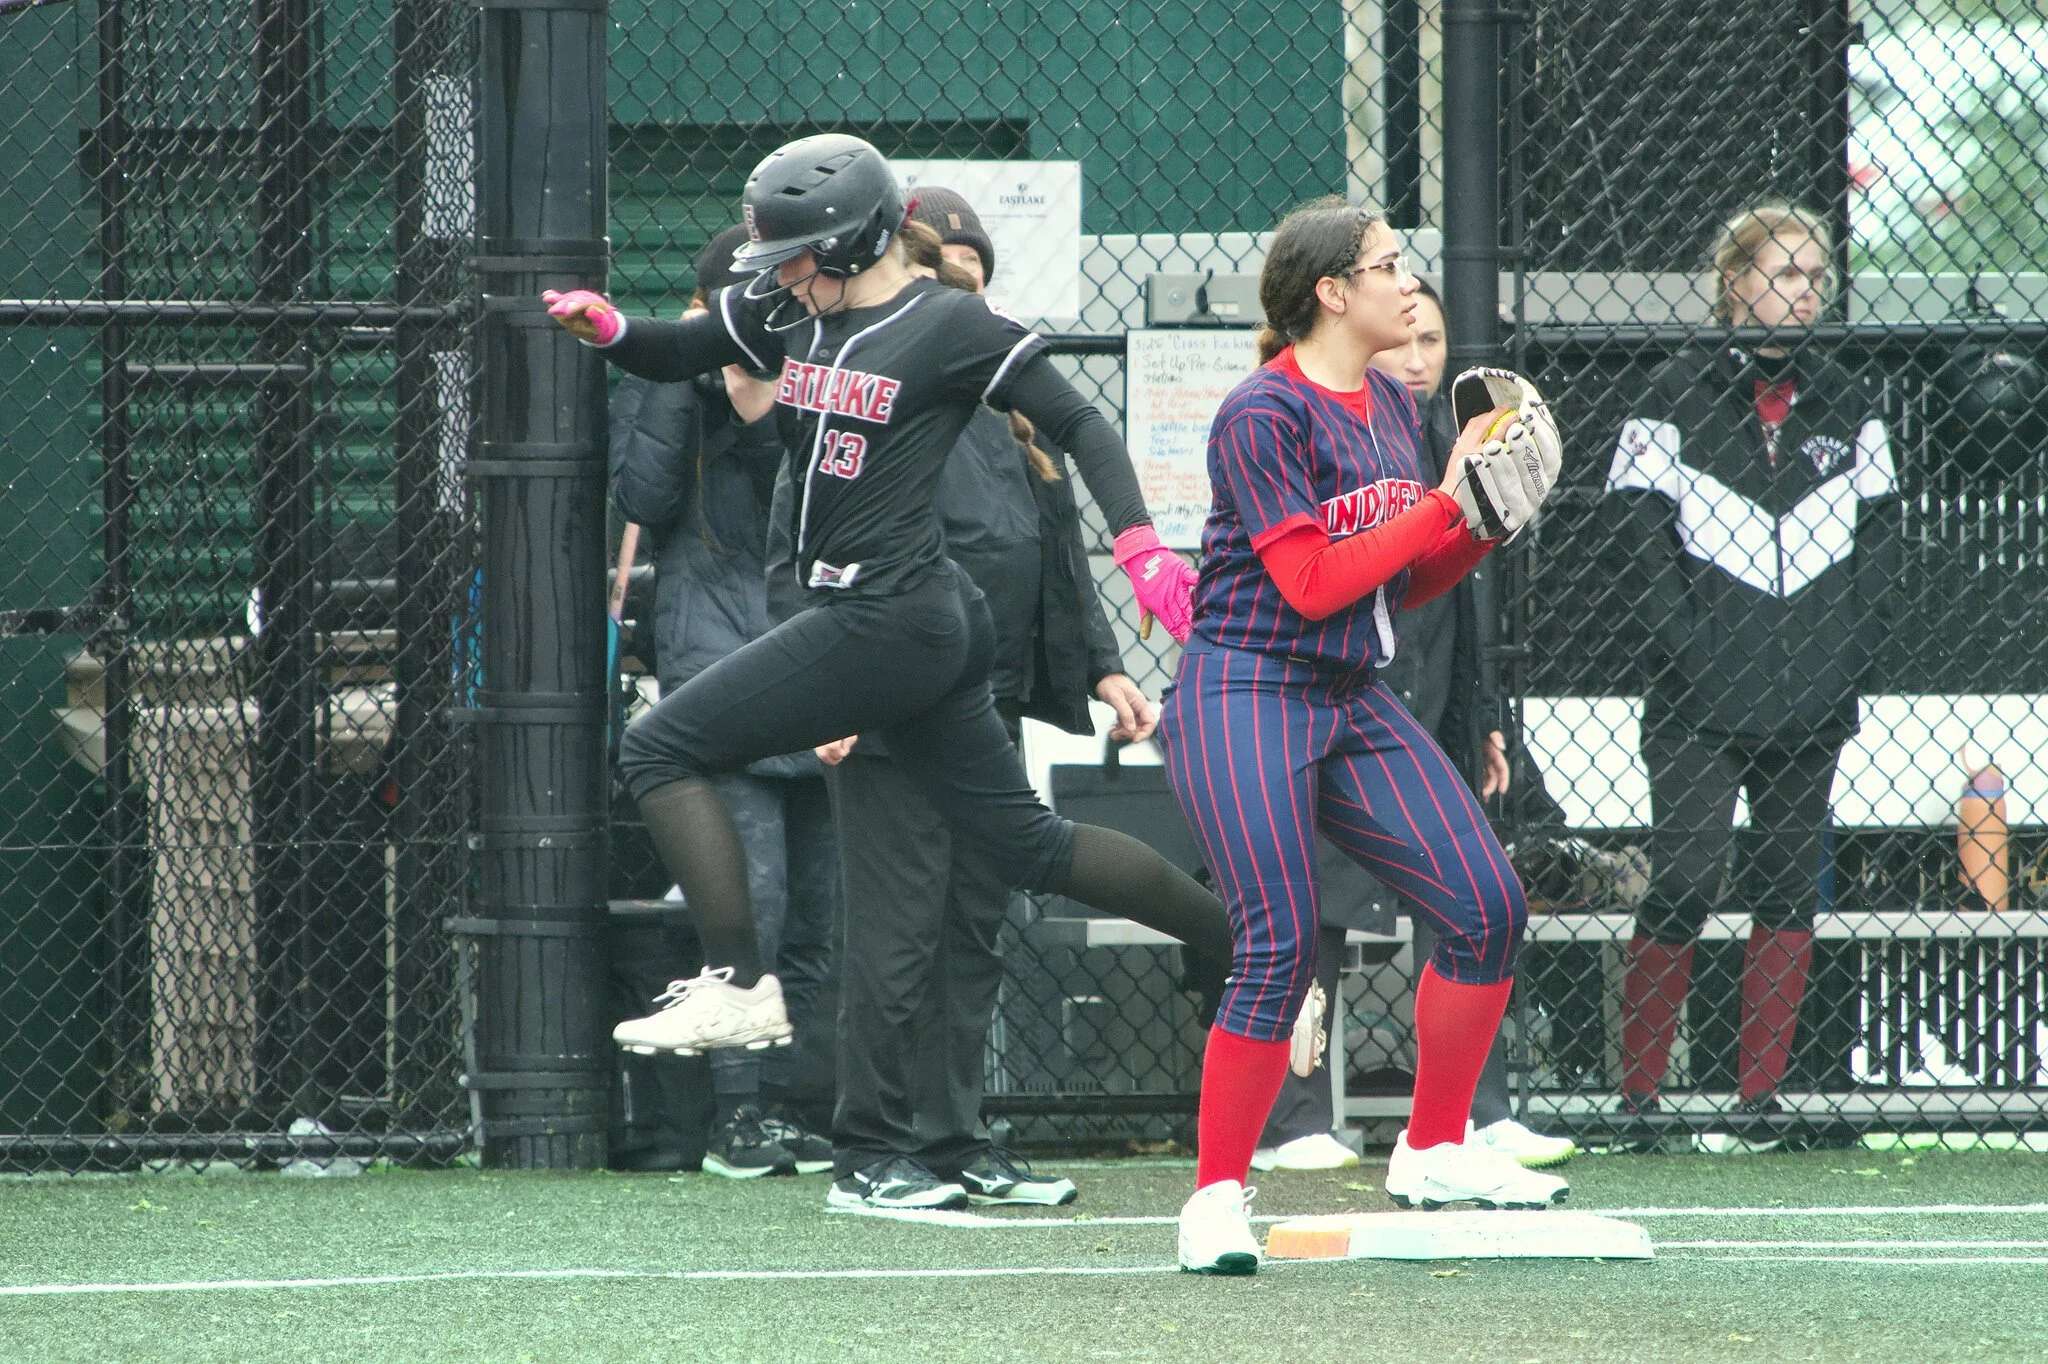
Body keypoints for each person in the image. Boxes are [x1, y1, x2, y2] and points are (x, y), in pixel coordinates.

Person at [542, 134, 1235, 1211]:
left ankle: (736, 983)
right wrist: (611, 329)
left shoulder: (947, 323)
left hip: (893, 619)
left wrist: (1141, 544)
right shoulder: (790, 309)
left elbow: (1079, 420)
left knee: (657, 742)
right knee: (1024, 842)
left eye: (800, 251)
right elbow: (679, 350)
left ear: (860, 236)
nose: (778, 272)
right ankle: (1228, 939)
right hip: (912, 625)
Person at [1161, 197, 1567, 1276]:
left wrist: (1481, 524)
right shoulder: (1260, 412)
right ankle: (1212, 1196)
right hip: (1243, 688)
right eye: (1387, 265)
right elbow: (1306, 583)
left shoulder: (1392, 403)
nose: (1407, 282)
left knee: (1486, 905)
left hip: (1347, 691)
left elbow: (1405, 577)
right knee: (1279, 936)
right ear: (1330, 292)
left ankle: (1432, 1146)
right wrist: (1445, 498)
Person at [807, 197, 1148, 1209]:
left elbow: (1055, 553)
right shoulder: (863, 396)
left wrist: (1102, 663)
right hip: (888, 703)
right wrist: (826, 683)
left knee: (969, 928)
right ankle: (868, 1148)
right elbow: (809, 534)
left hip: (982, 709)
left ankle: (951, 1139)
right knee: (896, 932)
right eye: (939, 270)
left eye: (973, 273)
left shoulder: (1008, 415)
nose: (961, 291)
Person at [1247, 282, 1577, 1175]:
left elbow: (1460, 608)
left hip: (1424, 704)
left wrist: (1483, 726)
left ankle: (1475, 1111)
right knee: (1304, 907)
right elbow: (1314, 576)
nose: (1421, 355)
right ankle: (1300, 1117)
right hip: (1321, 700)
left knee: (1466, 894)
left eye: (1434, 338)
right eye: (1407, 338)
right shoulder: (1310, 424)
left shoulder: (1444, 434)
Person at [1600, 200, 1899, 1139]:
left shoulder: (1854, 399)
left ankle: (1757, 1100)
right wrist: (1687, 650)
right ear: (1735, 286)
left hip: (1812, 695)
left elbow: (1885, 550)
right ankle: (1640, 1098)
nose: (1804, 293)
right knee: (1686, 877)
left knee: (1785, 883)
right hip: (1695, 699)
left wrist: (1844, 659)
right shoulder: (1669, 393)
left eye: (1816, 278)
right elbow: (1633, 544)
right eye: (1784, 275)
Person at [607, 224, 839, 1179]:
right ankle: (735, 1117)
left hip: (821, 674)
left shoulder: (826, 385)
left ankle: (794, 1104)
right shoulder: (675, 385)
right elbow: (643, 494)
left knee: (823, 913)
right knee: (754, 906)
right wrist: (678, 367)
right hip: (719, 677)